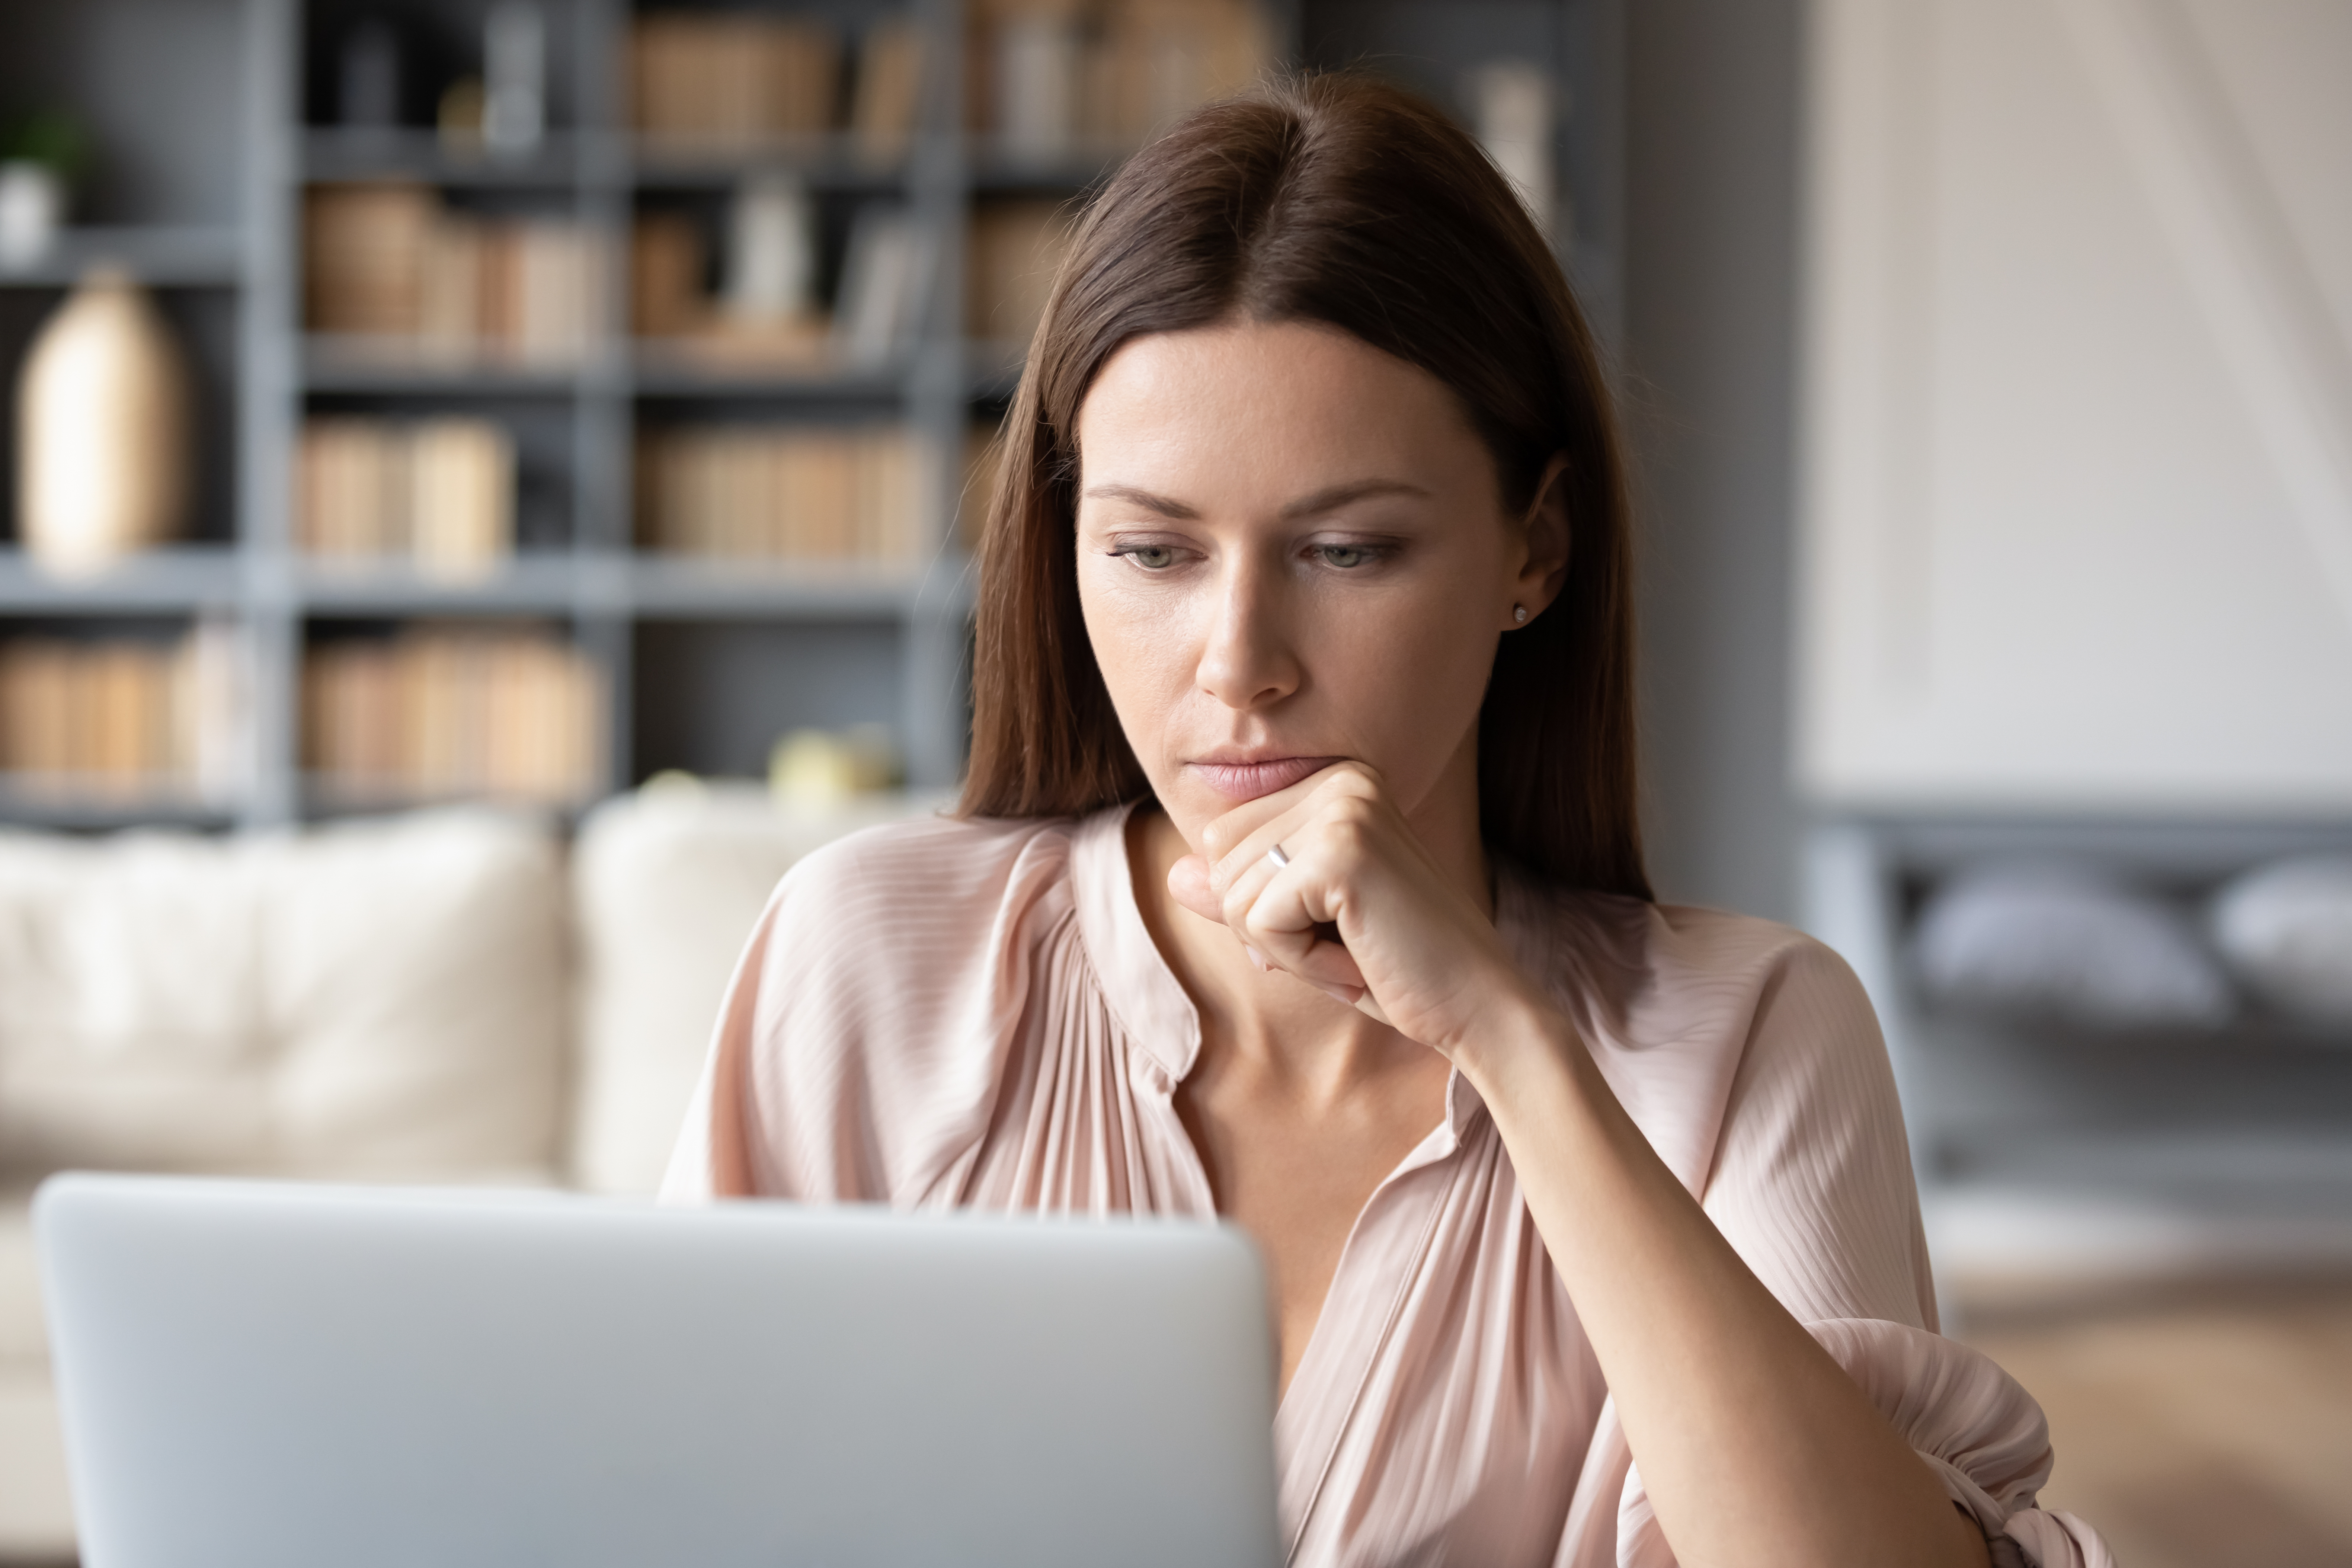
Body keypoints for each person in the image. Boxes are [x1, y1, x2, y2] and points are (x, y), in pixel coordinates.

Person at [665, 71, 2115, 1568]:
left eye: (1349, 548)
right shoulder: (874, 962)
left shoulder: (1756, 1036)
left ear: (1531, 554)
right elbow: (652, 1502)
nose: (1238, 661)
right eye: (1154, 550)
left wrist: (1510, 1038)